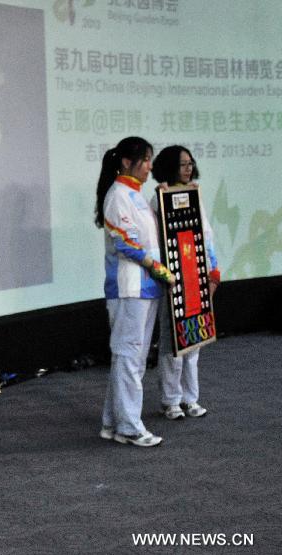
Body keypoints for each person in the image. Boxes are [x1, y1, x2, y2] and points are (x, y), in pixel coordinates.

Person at [94, 136, 174, 448]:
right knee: (128, 355)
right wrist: (156, 267)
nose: (150, 166)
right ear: (127, 161)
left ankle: (113, 422)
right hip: (128, 287)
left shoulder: (136, 195)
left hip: (147, 287)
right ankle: (128, 426)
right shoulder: (117, 195)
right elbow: (125, 242)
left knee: (135, 358)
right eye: (145, 159)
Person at [150, 145, 220, 420]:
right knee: (172, 341)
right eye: (182, 164)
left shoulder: (195, 194)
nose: (188, 168)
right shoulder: (159, 199)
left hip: (197, 273)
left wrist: (213, 271)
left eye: (190, 163)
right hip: (175, 276)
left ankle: (191, 398)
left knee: (196, 337)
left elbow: (207, 234)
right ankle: (170, 400)